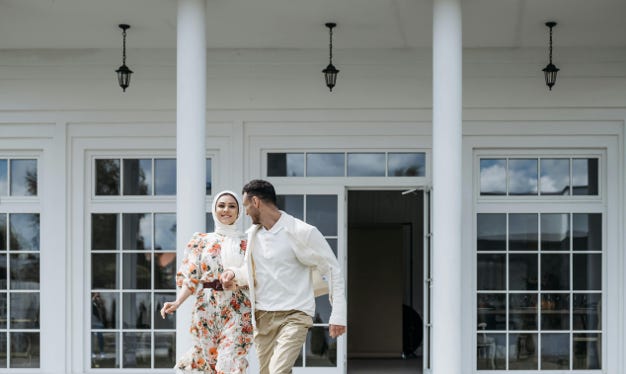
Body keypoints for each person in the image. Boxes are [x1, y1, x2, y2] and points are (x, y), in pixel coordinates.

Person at [220, 179, 347, 374]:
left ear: (256, 202)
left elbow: (332, 270)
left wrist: (338, 314)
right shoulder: (253, 235)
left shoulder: (302, 231)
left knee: (278, 370)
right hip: (262, 316)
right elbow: (251, 272)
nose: (244, 212)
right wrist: (233, 274)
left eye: (245, 206)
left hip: (295, 314)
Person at [160, 190, 253, 373]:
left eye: (232, 206)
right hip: (206, 308)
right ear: (214, 209)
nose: (226, 210)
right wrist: (178, 302)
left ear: (238, 211)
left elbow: (254, 274)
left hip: (239, 306)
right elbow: (191, 277)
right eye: (221, 205)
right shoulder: (201, 240)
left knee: (229, 360)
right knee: (208, 362)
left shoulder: (248, 241)